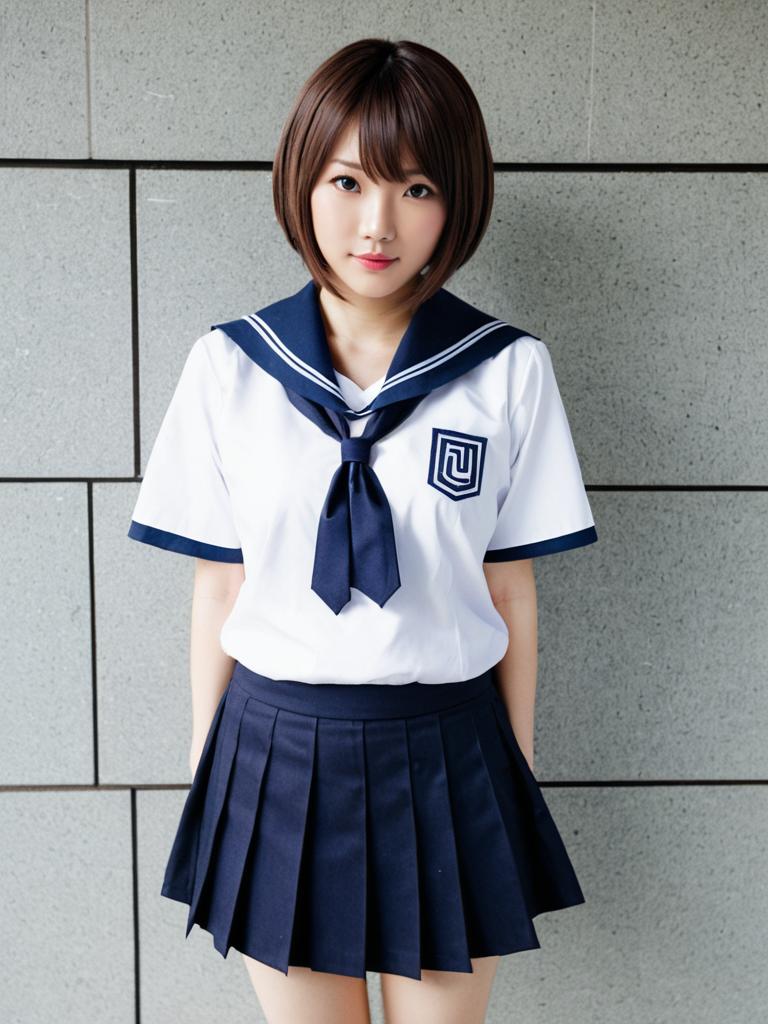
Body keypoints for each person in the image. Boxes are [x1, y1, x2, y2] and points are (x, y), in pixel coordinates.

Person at [128, 37, 597, 1024]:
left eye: (417, 187)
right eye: (347, 180)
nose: (377, 222)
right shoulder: (230, 368)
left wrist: (510, 765)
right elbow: (220, 583)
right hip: (276, 753)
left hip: (450, 747)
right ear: (302, 182)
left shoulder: (506, 372)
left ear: (454, 204)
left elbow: (510, 587)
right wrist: (212, 762)